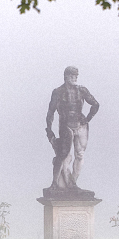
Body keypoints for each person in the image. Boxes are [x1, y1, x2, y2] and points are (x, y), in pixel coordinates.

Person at [45, 66, 99, 194]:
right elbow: (50, 112)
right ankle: (56, 183)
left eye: (76, 76)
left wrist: (88, 119)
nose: (74, 78)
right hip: (66, 125)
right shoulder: (58, 91)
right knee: (64, 154)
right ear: (66, 77)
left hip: (81, 124)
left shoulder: (82, 90)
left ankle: (72, 183)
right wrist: (49, 129)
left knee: (79, 155)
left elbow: (96, 104)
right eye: (71, 76)